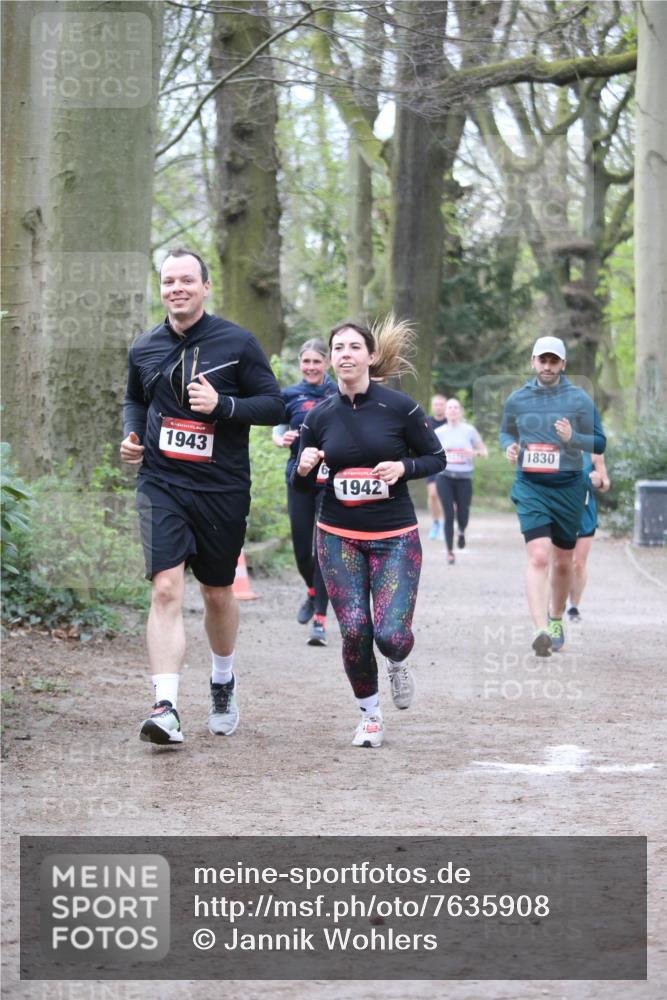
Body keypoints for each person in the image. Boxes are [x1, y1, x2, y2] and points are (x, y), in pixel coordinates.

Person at [121, 248, 284, 745]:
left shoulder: (238, 342)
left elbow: (274, 405)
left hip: (221, 487)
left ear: (205, 287)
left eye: (187, 280)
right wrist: (132, 436)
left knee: (217, 592)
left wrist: (224, 404)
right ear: (161, 288)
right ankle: (165, 706)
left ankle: (222, 679)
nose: (177, 288)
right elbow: (135, 398)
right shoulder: (145, 347)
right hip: (162, 482)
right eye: (169, 281)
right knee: (166, 588)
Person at [291, 315, 446, 747]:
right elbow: (301, 483)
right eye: (338, 347)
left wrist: (404, 467)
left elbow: (437, 458)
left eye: (354, 347)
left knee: (391, 635)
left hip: (395, 536)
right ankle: (370, 716)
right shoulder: (319, 416)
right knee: (356, 629)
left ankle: (398, 662)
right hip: (338, 535)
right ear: (330, 358)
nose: (345, 355)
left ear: (371, 356)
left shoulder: (400, 408)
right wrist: (303, 469)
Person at [500, 336, 606, 657]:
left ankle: (556, 618)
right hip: (531, 487)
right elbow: (506, 430)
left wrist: (572, 437)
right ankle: (540, 628)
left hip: (569, 489)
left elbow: (599, 443)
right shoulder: (517, 400)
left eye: (553, 361)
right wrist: (509, 445)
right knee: (538, 557)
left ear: (563, 365)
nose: (547, 366)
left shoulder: (579, 400)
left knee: (562, 563)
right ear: (533, 361)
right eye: (542, 360)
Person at [272, 339, 337, 645]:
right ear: (300, 364)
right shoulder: (289, 395)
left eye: (317, 362)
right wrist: (280, 439)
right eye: (306, 362)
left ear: (327, 363)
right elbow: (277, 429)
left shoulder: (340, 393)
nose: (311, 367)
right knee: (302, 551)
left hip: (331, 482)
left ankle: (320, 622)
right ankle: (312, 592)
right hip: (298, 478)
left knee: (323, 551)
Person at [434, 397, 488, 564]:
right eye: (449, 408)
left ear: (460, 411)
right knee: (448, 514)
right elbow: (429, 454)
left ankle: (462, 531)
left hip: (464, 478)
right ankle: (450, 551)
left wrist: (474, 452)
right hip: (445, 477)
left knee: (463, 512)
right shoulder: (439, 433)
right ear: (445, 411)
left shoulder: (469, 430)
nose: (452, 410)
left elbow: (484, 452)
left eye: (456, 408)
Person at [566, 452, 611, 621]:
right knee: (560, 562)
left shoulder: (594, 450)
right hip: (560, 510)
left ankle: (573, 607)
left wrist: (599, 482)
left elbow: (606, 483)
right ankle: (554, 604)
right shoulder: (554, 443)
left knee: (578, 563)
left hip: (585, 512)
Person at [426, 394, 448, 540]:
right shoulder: (426, 422)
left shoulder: (451, 422)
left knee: (448, 498)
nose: (439, 407)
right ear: (432, 406)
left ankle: (446, 525)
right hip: (433, 462)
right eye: (436, 404)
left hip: (450, 465)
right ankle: (435, 523)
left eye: (441, 404)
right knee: (433, 495)